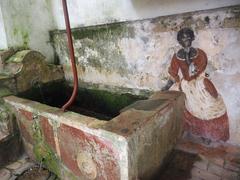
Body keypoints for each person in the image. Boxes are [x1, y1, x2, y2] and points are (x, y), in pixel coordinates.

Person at [164, 27, 229, 143]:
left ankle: (210, 134)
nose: (186, 40)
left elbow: (203, 70)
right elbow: (174, 73)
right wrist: (166, 87)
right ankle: (201, 133)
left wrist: (198, 75)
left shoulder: (200, 53)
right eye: (183, 38)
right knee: (192, 108)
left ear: (192, 38)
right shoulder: (177, 56)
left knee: (211, 106)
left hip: (199, 82)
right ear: (179, 41)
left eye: (188, 37)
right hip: (187, 86)